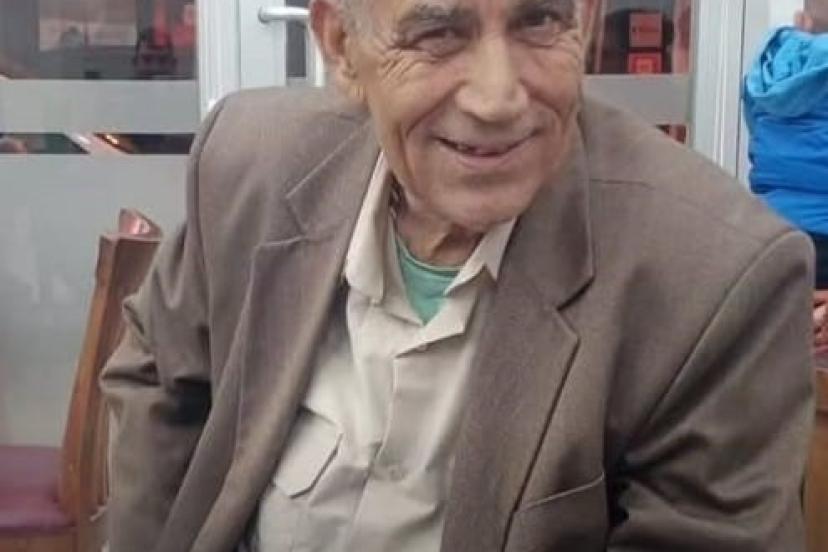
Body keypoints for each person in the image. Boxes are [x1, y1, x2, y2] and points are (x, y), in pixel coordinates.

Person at [101, 0, 815, 550]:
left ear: (588, 23)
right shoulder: (249, 164)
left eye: (539, 20)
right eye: (438, 32)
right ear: (342, 46)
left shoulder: (717, 285)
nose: (497, 99)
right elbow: (161, 377)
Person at [743, 0, 828, 352]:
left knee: (784, 346)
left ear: (801, 20)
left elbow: (757, 138)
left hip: (774, 228)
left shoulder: (768, 67)